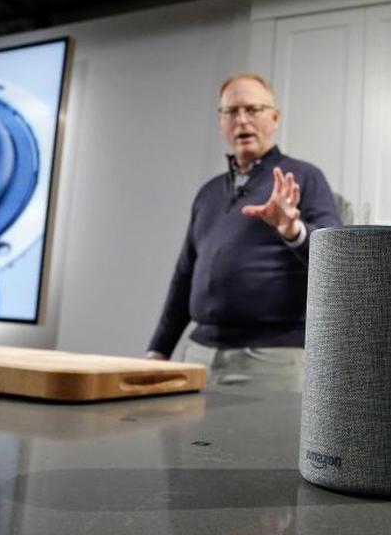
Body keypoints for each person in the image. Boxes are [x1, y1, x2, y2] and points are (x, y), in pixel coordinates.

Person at [145, 72, 341, 390]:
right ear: (221, 123)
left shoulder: (304, 177)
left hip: (271, 359)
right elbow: (183, 278)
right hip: (198, 356)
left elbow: (338, 260)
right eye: (232, 112)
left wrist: (292, 229)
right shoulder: (208, 193)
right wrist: (158, 351)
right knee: (184, 442)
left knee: (263, 442)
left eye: (253, 110)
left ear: (274, 118)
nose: (242, 120)